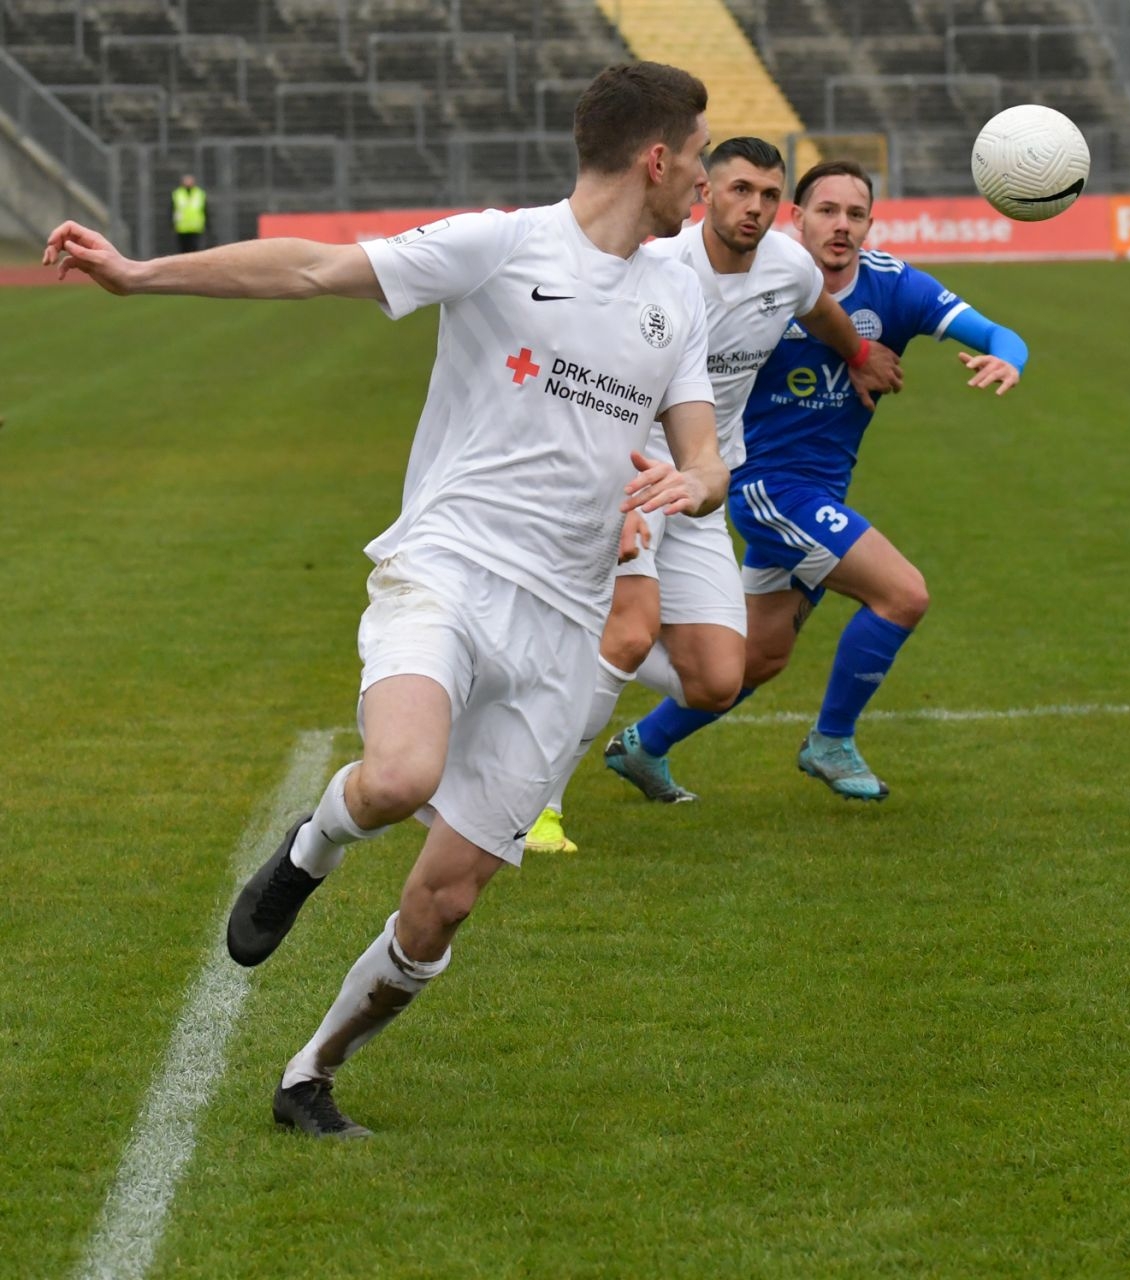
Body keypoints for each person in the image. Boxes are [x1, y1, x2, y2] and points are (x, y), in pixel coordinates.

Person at [45, 62, 726, 1137]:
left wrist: (693, 480)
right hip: (449, 569)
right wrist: (139, 272)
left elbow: (701, 448)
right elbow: (313, 269)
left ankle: (310, 1071)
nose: (704, 174)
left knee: (442, 903)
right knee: (402, 773)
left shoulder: (676, 290)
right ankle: (308, 852)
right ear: (656, 157)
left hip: (562, 629)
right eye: (697, 154)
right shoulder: (505, 244)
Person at [603, 159, 1030, 803]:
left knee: (760, 658)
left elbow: (1001, 333)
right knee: (903, 594)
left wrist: (1007, 358)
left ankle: (643, 747)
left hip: (822, 491)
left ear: (870, 225)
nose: (841, 225)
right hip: (763, 487)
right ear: (796, 219)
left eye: (856, 214)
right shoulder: (759, 283)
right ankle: (831, 740)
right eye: (825, 211)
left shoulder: (893, 286)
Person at [528, 136, 902, 851]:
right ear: (706, 191)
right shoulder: (656, 264)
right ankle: (535, 807)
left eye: (768, 195)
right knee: (632, 630)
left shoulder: (790, 266)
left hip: (706, 479)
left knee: (715, 681)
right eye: (739, 191)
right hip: (629, 469)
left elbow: (821, 311)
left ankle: (559, 653)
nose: (754, 208)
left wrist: (858, 354)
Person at [171, 174, 207, 254]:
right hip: (182, 227)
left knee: (195, 249)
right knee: (182, 249)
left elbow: (205, 209)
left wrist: (207, 224)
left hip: (196, 227)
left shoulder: (199, 193)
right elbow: (172, 210)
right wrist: (172, 224)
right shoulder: (177, 194)